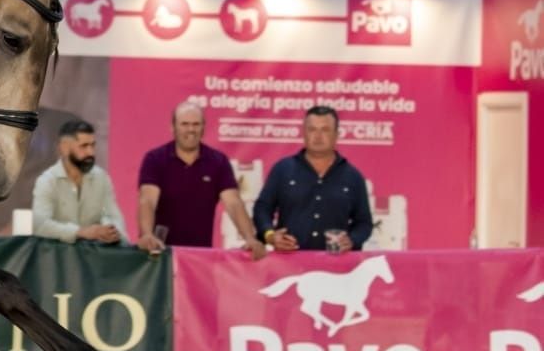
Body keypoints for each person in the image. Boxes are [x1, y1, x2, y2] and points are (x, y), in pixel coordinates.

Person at [136, 102, 266, 258]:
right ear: (173, 127)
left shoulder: (218, 161)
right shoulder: (155, 159)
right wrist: (146, 235)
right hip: (161, 254)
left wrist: (250, 238)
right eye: (184, 124)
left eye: (196, 124)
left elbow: (233, 203)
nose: (191, 129)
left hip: (200, 259)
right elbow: (147, 200)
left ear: (203, 127)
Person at [252, 105, 372, 253]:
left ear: (336, 134)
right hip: (288, 264)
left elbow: (364, 223)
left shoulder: (353, 177)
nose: (318, 136)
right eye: (312, 129)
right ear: (304, 133)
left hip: (336, 267)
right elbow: (262, 208)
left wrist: (352, 240)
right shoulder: (283, 169)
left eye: (325, 130)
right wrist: (270, 236)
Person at [31, 120, 128, 244]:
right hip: (56, 258)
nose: (91, 152)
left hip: (93, 257)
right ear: (64, 148)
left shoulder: (101, 178)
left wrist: (110, 231)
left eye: (93, 145)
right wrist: (82, 232)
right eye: (84, 146)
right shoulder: (47, 181)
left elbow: (114, 217)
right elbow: (40, 226)